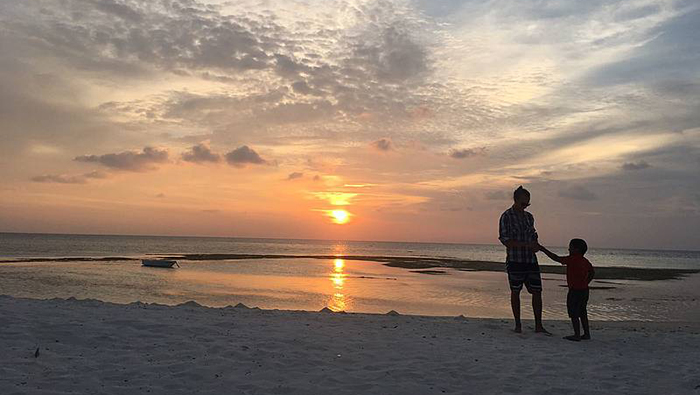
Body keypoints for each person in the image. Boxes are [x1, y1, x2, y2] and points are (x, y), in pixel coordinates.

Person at [498, 186, 549, 334]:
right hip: (515, 260)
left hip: (530, 260)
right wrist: (525, 245)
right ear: (516, 201)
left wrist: (534, 242)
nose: (525, 207)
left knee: (537, 291)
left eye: (527, 204)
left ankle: (538, 326)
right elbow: (505, 240)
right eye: (523, 204)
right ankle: (518, 325)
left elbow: (533, 233)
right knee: (516, 291)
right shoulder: (506, 216)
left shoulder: (529, 217)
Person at [538, 239, 595, 341]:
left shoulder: (572, 259)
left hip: (575, 291)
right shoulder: (585, 261)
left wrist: (543, 249)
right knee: (583, 312)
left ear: (576, 249)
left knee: (574, 313)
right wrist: (586, 282)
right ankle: (586, 334)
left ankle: (577, 335)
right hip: (584, 290)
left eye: (571, 247)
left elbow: (556, 258)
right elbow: (592, 272)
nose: (569, 249)